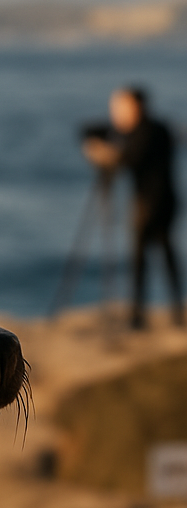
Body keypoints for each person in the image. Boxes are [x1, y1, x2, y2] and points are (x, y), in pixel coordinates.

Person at [82, 86, 182, 329]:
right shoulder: (145, 129)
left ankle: (142, 315)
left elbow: (128, 158)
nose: (116, 113)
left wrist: (105, 154)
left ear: (136, 107)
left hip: (153, 203)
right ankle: (165, 311)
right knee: (161, 255)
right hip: (157, 200)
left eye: (120, 107)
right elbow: (91, 129)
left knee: (146, 257)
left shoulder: (149, 132)